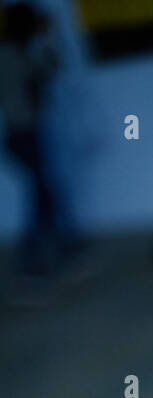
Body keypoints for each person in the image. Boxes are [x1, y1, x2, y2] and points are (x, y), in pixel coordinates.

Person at [0, 2, 84, 281]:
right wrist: (49, 37)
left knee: (46, 192)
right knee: (42, 195)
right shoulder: (11, 56)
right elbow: (49, 68)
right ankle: (33, 258)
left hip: (25, 134)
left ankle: (61, 246)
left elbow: (51, 68)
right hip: (23, 134)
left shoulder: (15, 54)